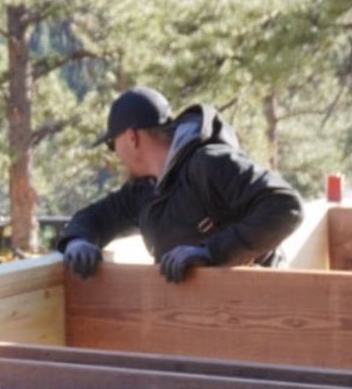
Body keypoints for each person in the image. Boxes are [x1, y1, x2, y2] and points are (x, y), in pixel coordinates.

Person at [57, 86, 303, 283]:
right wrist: (78, 241)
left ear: (132, 138)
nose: (115, 154)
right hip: (200, 321)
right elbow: (98, 216)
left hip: (260, 306)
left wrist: (212, 253)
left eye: (113, 144)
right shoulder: (145, 190)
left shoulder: (209, 163)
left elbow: (286, 206)